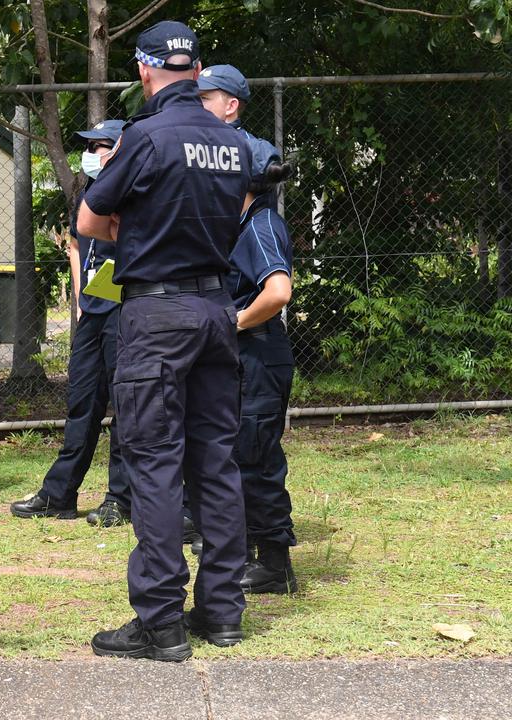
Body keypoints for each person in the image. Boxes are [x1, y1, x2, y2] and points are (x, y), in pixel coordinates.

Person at [76, 20, 253, 660]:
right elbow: (231, 217)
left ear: (146, 71)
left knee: (153, 463)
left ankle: (160, 621)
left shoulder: (145, 137)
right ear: (197, 70)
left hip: (156, 313)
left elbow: (89, 217)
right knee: (217, 462)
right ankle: (223, 613)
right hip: (216, 309)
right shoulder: (232, 142)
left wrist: (145, 236)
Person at [198, 69, 300, 594]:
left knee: (257, 456)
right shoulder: (235, 224)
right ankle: (245, 550)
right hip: (245, 355)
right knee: (238, 452)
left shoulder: (259, 223)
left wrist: (233, 321)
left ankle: (275, 563)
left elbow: (278, 292)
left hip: (259, 352)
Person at [9, 120, 131, 524]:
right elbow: (76, 245)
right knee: (82, 403)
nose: (92, 154)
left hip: (125, 310)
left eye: (100, 146)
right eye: (90, 146)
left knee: (125, 407)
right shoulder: (87, 192)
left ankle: (121, 498)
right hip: (94, 310)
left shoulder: (133, 191)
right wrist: (80, 297)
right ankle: (59, 494)